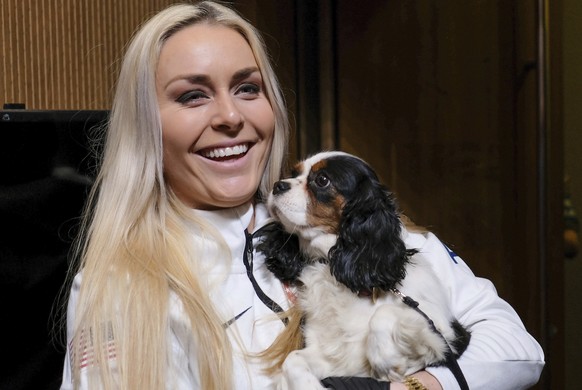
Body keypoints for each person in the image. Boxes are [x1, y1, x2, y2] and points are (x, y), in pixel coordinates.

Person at [59, 1, 544, 389]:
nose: (230, 116)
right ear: (146, 127)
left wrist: (421, 386)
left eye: (248, 88)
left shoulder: (364, 230)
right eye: (193, 95)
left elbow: (518, 349)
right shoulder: (123, 286)